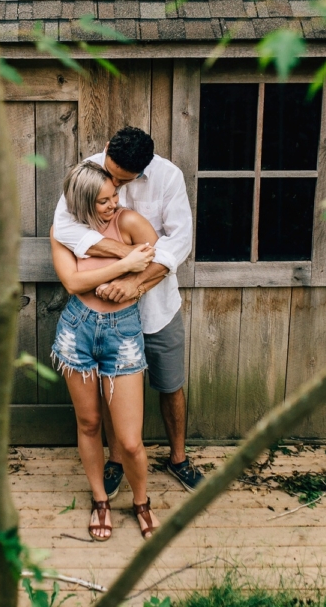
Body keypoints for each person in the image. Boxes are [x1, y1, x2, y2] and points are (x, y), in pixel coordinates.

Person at [51, 126, 203, 497]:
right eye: (112, 177)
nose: (115, 189)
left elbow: (179, 240)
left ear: (143, 169)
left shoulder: (168, 177)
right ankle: (116, 463)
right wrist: (125, 256)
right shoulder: (88, 172)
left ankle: (178, 458)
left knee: (170, 382)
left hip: (157, 304)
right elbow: (65, 229)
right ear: (106, 150)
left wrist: (137, 282)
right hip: (104, 314)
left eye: (123, 182)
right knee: (111, 391)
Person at [50, 161, 161, 542]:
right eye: (103, 201)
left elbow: (157, 262)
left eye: (114, 196)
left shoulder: (128, 222)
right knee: (89, 424)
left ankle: (142, 502)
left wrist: (131, 272)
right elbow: (72, 282)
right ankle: (101, 500)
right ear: (82, 203)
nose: (113, 204)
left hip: (123, 334)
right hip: (76, 331)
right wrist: (124, 262)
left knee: (129, 440)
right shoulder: (63, 232)